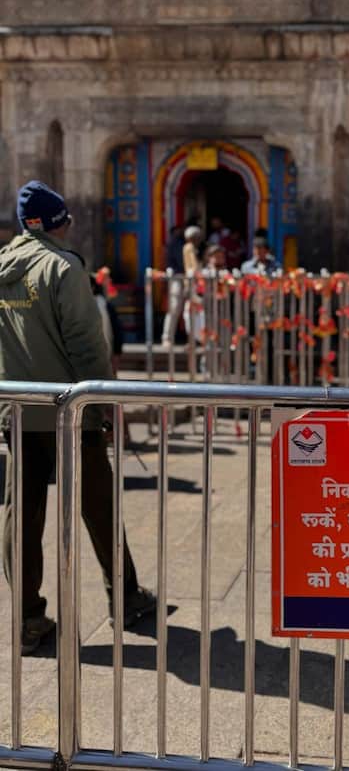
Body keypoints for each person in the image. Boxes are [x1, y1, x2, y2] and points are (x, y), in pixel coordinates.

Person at [0, 181, 156, 655]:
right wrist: (106, 403)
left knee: (22, 517)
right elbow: (86, 344)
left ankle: (28, 619)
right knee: (99, 505)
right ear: (56, 223)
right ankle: (125, 599)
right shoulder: (62, 268)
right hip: (70, 411)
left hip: (19, 410)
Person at [161, 225, 186, 347]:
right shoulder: (175, 243)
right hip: (178, 278)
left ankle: (193, 338)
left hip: (186, 279)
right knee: (174, 308)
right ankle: (167, 337)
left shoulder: (184, 243)